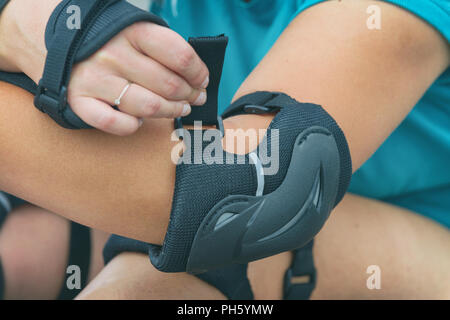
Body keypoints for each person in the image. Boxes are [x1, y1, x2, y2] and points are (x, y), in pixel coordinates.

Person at [0, 0, 448, 299]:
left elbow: (260, 182)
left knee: (178, 267)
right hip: (169, 214)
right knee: (18, 243)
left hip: (422, 254)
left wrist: (18, 28)